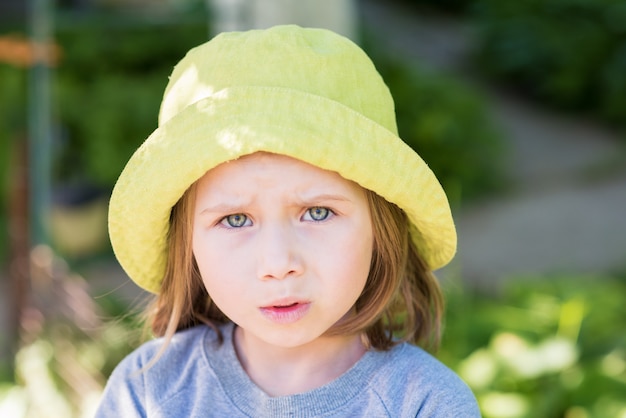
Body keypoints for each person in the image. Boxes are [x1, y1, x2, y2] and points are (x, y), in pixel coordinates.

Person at [96, 25, 481, 417]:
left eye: (317, 212)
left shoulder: (425, 403)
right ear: (188, 243)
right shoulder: (148, 391)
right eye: (235, 219)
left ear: (382, 230)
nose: (279, 264)